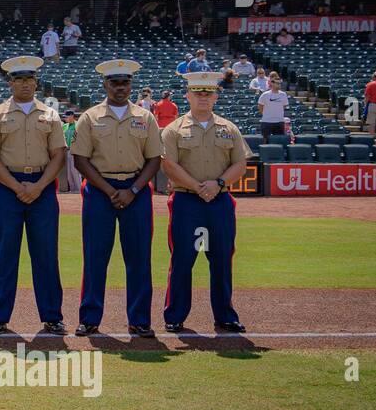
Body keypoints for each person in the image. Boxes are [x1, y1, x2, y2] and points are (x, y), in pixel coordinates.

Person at [70, 59, 163, 338]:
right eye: (115, 83)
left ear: (131, 84)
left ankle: (139, 319)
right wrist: (111, 191)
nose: (120, 88)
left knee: (138, 258)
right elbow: (80, 160)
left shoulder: (146, 117)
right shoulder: (90, 117)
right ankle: (89, 318)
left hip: (136, 189)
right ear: (105, 84)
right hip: (100, 190)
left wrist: (133, 190)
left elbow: (154, 159)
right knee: (96, 257)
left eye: (125, 82)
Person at [0, 56, 66, 335]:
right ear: (10, 82)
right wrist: (17, 187)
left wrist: (39, 186)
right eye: (19, 79)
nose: (25, 84)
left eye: (30, 79)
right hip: (8, 187)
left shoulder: (51, 115)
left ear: (36, 82)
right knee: (6, 255)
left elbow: (59, 155)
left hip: (42, 187)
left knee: (46, 255)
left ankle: (52, 316)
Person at [160, 72, 249, 334]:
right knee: (183, 259)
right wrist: (198, 187)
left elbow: (240, 164)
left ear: (216, 96)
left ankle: (225, 315)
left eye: (208, 93)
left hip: (220, 202)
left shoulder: (229, 128)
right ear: (187, 95)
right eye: (197, 92)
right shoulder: (174, 129)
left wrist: (218, 184)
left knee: (221, 259)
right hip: (186, 202)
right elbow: (168, 165)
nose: (203, 97)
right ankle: (175, 315)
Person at [256, 75, 290, 144]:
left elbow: (284, 106)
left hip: (279, 122)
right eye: (277, 83)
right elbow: (260, 107)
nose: (279, 85)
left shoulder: (283, 95)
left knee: (279, 142)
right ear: (272, 83)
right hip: (267, 122)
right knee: (265, 141)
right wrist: (266, 115)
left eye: (280, 83)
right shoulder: (265, 95)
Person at [60, 109, 81, 192]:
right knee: (68, 173)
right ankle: (72, 190)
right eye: (65, 117)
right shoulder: (65, 126)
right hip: (66, 151)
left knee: (75, 171)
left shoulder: (78, 125)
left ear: (72, 116)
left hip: (75, 151)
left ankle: (79, 190)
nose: (65, 119)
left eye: (67, 117)